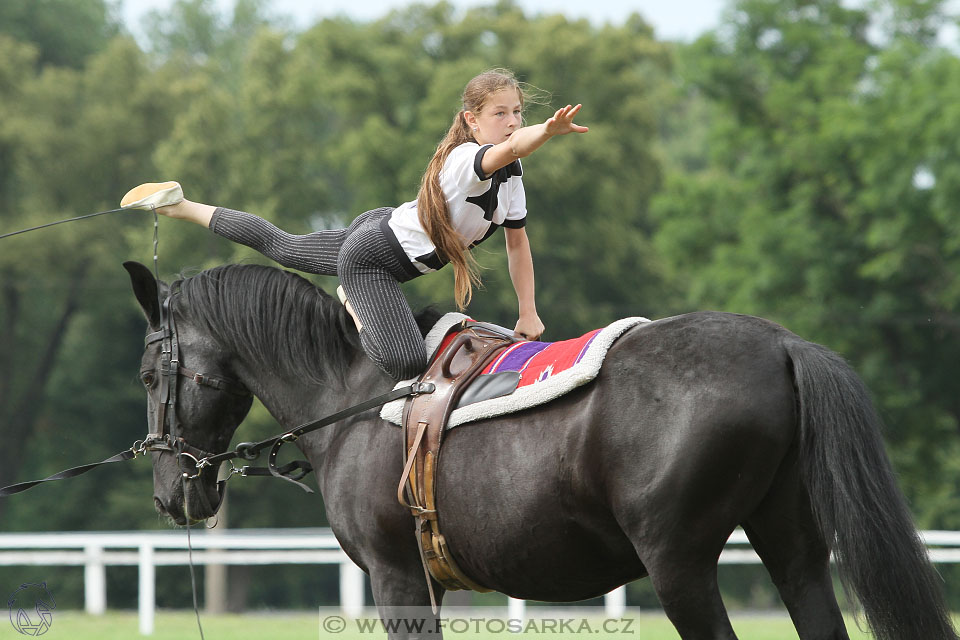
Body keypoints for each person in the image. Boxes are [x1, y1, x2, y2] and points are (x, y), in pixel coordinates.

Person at [121, 69, 588, 380]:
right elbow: (514, 147)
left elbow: (518, 244)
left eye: (517, 113)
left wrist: (528, 311)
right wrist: (545, 130)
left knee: (283, 246)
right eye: (499, 114)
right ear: (472, 120)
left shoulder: (511, 179)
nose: (511, 122)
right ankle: (353, 299)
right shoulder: (469, 159)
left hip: (380, 227)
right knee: (404, 362)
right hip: (373, 260)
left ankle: (180, 205)